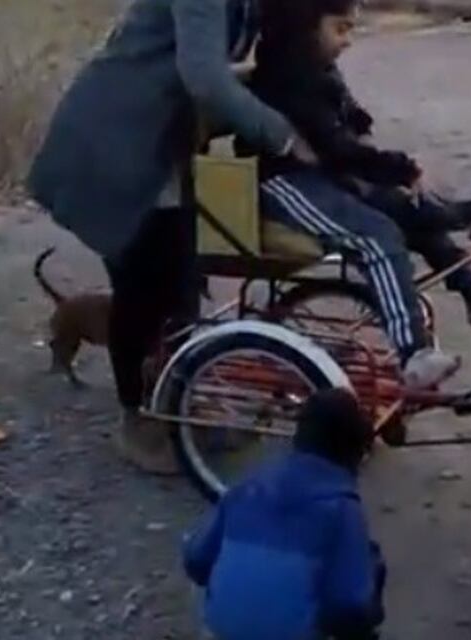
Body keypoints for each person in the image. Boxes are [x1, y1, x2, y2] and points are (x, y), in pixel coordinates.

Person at [26, 0, 316, 474]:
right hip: (119, 139)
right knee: (141, 285)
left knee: (181, 278)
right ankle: (138, 419)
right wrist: (279, 133)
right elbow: (203, 77)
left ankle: (178, 399)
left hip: (161, 144)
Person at [242, 0, 471, 334]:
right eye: (340, 29)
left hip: (330, 174)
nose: (347, 40)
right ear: (306, 30)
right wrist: (400, 169)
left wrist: (379, 153)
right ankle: (413, 349)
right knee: (381, 234)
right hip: (290, 177)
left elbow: (350, 118)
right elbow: (336, 147)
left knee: (411, 208)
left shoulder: (316, 67)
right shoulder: (289, 78)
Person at [182, 388, 385, 640]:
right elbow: (348, 604)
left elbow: (196, 561)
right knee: (370, 563)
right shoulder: (342, 509)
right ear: (354, 454)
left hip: (219, 632)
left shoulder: (247, 486)